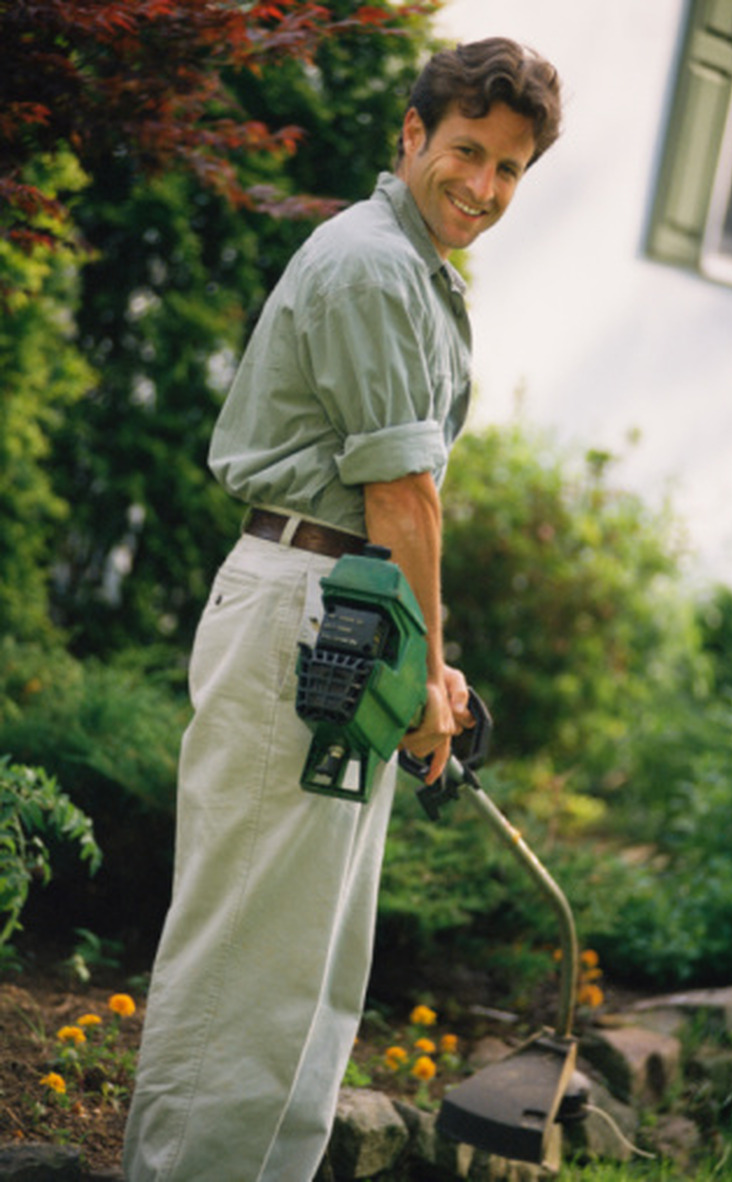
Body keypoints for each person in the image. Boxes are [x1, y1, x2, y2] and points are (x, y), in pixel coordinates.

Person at [123, 35, 562, 1182]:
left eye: (511, 169)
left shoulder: (414, 267)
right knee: (248, 957)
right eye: (467, 152)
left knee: (308, 966)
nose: (483, 186)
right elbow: (402, 498)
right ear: (410, 135)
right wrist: (423, 677)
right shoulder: (372, 266)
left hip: (346, 609)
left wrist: (429, 670)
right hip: (304, 610)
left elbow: (401, 506)